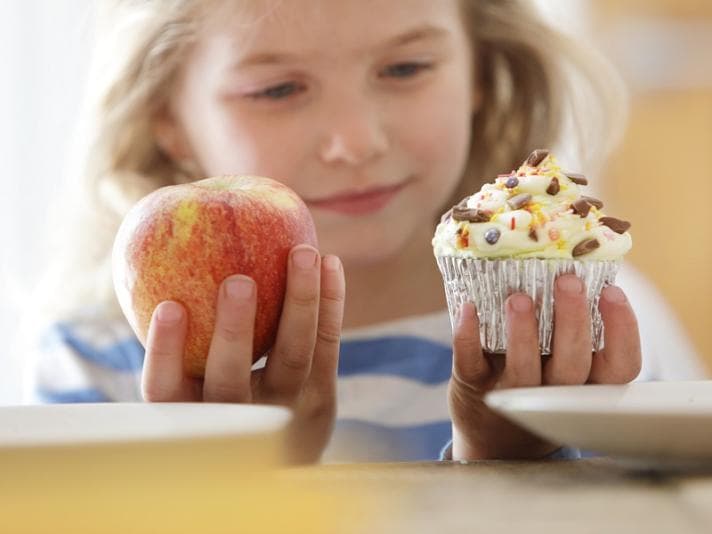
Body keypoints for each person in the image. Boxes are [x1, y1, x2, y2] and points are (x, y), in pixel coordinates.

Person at [24, 0, 705, 463]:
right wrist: (239, 483)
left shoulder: (588, 330)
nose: (355, 142)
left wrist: (509, 462)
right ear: (165, 118)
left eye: (405, 69)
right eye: (278, 90)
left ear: (481, 73)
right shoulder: (97, 366)